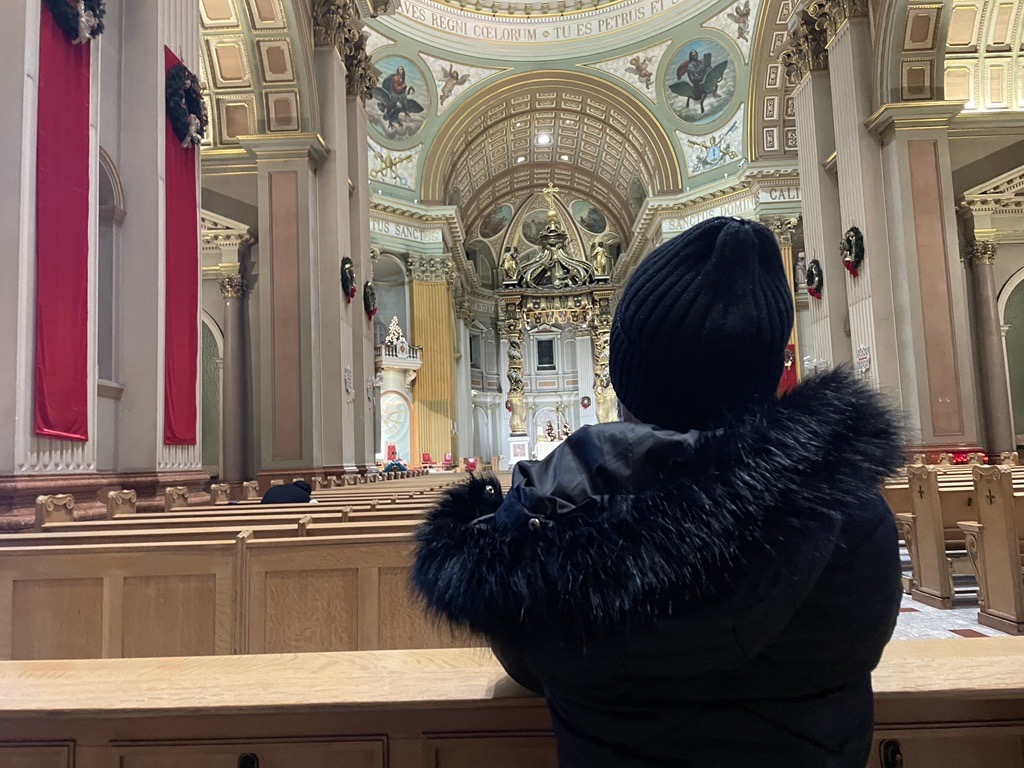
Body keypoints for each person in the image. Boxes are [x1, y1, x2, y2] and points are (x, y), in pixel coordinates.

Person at [412, 217, 904, 768]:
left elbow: (525, 661)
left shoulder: (549, 511)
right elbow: (861, 642)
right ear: (768, 375)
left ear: (627, 378)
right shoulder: (852, 513)